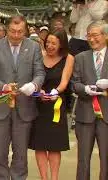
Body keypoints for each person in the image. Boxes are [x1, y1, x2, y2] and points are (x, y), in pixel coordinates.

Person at [0, 15, 45, 180]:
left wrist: (33, 85)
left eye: (20, 32)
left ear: (25, 30)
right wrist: (3, 86)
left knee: (21, 153)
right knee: (0, 152)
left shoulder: (34, 47)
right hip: (1, 108)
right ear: (6, 29)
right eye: (12, 31)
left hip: (24, 107)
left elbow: (40, 72)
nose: (16, 35)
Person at [29, 29, 74, 180]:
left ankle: (54, 178)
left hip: (56, 104)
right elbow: (34, 77)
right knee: (40, 144)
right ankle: (44, 177)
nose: (49, 46)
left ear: (61, 44)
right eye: (48, 42)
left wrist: (55, 91)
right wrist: (39, 90)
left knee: (55, 146)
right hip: (39, 104)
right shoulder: (39, 56)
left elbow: (65, 82)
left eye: (54, 43)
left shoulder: (68, 58)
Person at [71, 20, 108, 180]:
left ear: (105, 36)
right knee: (83, 159)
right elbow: (74, 83)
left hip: (106, 116)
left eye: (95, 35)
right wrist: (84, 89)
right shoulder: (80, 57)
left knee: (106, 159)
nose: (91, 39)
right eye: (89, 36)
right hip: (85, 114)